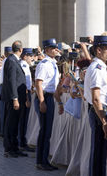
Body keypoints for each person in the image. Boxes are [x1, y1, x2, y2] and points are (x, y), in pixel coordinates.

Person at [84, 35, 107, 176]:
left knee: (100, 153)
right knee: (98, 153)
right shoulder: (97, 68)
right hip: (99, 112)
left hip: (99, 111)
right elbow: (96, 99)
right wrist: (104, 122)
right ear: (99, 50)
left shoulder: (99, 67)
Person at [35, 38, 62, 171]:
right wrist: (41, 101)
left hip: (49, 97)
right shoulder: (44, 64)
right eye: (53, 48)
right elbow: (38, 83)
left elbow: (55, 86)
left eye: (56, 47)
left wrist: (59, 102)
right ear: (46, 50)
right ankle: (42, 160)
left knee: (47, 131)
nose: (56, 50)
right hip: (44, 97)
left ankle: (42, 159)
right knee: (45, 131)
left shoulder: (53, 63)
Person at [2, 41, 27, 158]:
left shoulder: (13, 60)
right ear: (21, 50)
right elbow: (12, 81)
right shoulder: (12, 61)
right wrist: (15, 98)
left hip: (17, 97)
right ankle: (9, 148)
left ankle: (14, 147)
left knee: (15, 122)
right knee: (11, 123)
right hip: (14, 98)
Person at [18, 48, 34, 152]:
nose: (32, 58)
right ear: (25, 56)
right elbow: (25, 83)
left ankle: (22, 141)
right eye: (30, 56)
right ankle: (22, 142)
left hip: (26, 92)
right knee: (23, 119)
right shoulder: (23, 65)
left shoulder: (25, 65)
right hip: (25, 93)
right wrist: (27, 97)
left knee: (24, 119)